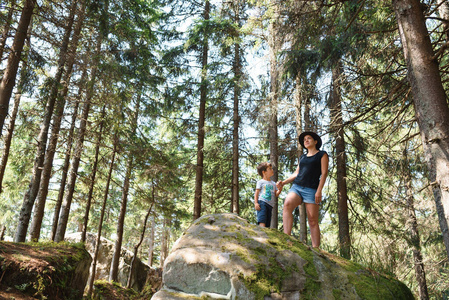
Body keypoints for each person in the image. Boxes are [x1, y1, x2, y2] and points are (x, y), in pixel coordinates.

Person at [277, 132, 328, 248]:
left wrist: (319, 190)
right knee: (287, 204)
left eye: (309, 138)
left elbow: (324, 173)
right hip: (297, 186)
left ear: (315, 141)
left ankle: (316, 249)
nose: (306, 140)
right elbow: (297, 173)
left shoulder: (322, 155)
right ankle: (287, 238)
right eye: (304, 139)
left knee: (312, 220)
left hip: (312, 189)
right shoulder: (303, 157)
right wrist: (284, 182)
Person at [254, 162, 281, 227]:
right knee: (262, 220)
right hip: (262, 202)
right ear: (264, 172)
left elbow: (276, 194)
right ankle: (261, 233)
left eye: (272, 168)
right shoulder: (260, 182)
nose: (272, 170)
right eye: (269, 169)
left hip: (270, 205)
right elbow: (256, 193)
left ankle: (265, 235)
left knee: (267, 223)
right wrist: (256, 203)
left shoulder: (273, 183)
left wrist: (280, 189)